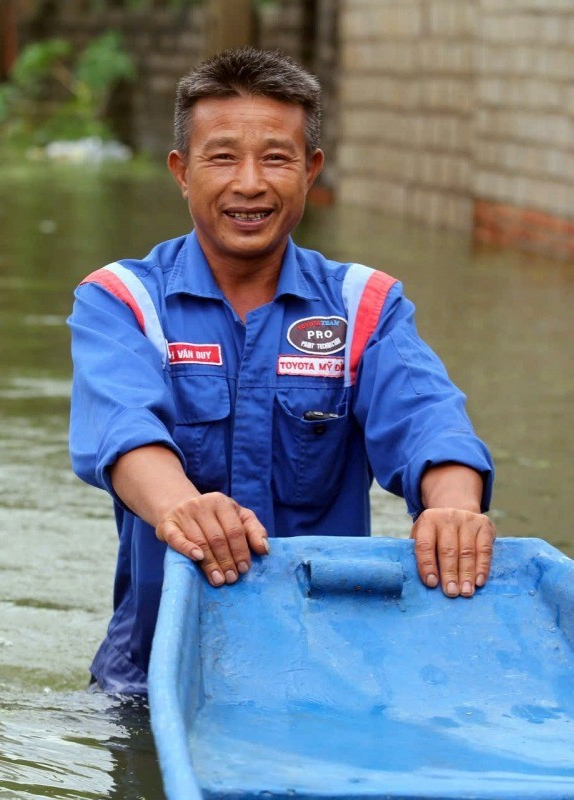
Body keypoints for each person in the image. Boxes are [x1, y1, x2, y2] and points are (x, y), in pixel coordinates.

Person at [67, 48, 495, 694]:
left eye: (275, 158)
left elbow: (429, 420)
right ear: (181, 172)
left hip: (327, 672)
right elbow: (124, 434)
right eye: (222, 157)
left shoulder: (364, 306)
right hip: (155, 675)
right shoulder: (123, 301)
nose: (249, 183)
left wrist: (455, 510)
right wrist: (185, 509)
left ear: (310, 170)